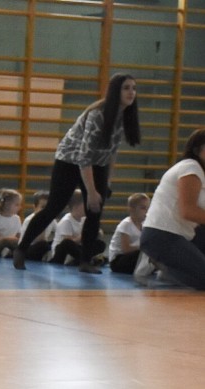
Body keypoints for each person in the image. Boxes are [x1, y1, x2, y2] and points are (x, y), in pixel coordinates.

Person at [13, 73, 140, 274]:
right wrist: (90, 191)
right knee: (54, 206)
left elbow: (112, 151)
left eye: (133, 88)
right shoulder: (98, 114)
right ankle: (21, 248)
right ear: (115, 91)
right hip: (70, 160)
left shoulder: (125, 116)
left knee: (95, 211)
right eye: (126, 88)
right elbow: (83, 156)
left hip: (97, 163)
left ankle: (85, 260)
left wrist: (106, 182)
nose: (131, 92)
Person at [139, 128, 205, 289]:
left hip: (182, 235)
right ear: (198, 150)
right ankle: (165, 268)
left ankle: (171, 271)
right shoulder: (191, 168)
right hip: (162, 235)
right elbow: (187, 210)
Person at [109, 192, 149, 274]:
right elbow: (126, 249)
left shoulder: (144, 224)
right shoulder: (126, 224)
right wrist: (142, 247)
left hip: (130, 257)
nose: (147, 211)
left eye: (148, 208)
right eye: (143, 208)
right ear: (132, 209)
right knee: (144, 254)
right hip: (118, 261)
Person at [49, 191, 88, 265]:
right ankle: (84, 259)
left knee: (99, 244)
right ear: (75, 207)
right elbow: (69, 243)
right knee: (67, 243)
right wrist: (84, 235)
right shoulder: (66, 221)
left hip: (75, 250)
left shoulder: (84, 219)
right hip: (62, 253)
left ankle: (83, 259)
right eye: (84, 205)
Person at [20, 191, 56, 261]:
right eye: (43, 207)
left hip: (42, 245)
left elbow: (57, 233)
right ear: (35, 207)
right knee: (43, 244)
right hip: (28, 248)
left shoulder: (51, 220)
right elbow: (38, 239)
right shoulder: (30, 220)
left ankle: (48, 255)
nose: (46, 210)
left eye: (48, 208)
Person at [0, 189, 22, 257]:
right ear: (7, 204)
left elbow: (18, 236)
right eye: (17, 205)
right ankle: (5, 251)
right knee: (4, 243)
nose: (20, 207)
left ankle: (10, 252)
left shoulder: (17, 218)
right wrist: (6, 239)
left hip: (10, 243)